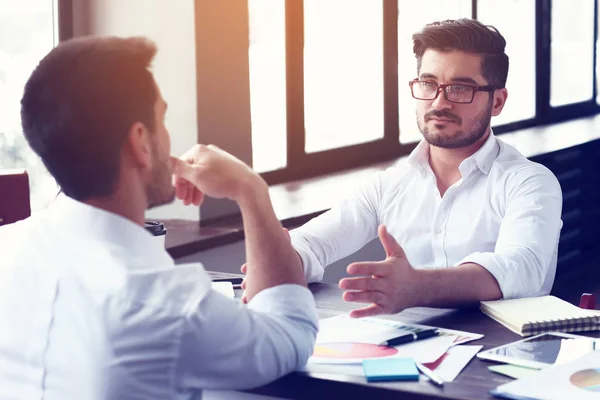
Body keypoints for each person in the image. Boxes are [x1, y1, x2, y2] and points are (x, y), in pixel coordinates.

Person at [0, 36, 317, 399]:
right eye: (162, 119)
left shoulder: (5, 249)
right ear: (141, 142)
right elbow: (290, 332)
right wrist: (250, 188)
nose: (169, 137)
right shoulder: (164, 304)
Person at [263, 18, 563, 318]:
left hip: (505, 354)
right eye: (428, 84)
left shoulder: (530, 182)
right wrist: (285, 263)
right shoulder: (389, 184)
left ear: (497, 101)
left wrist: (419, 286)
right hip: (412, 348)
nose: (439, 102)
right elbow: (314, 241)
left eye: (460, 89)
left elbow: (522, 268)